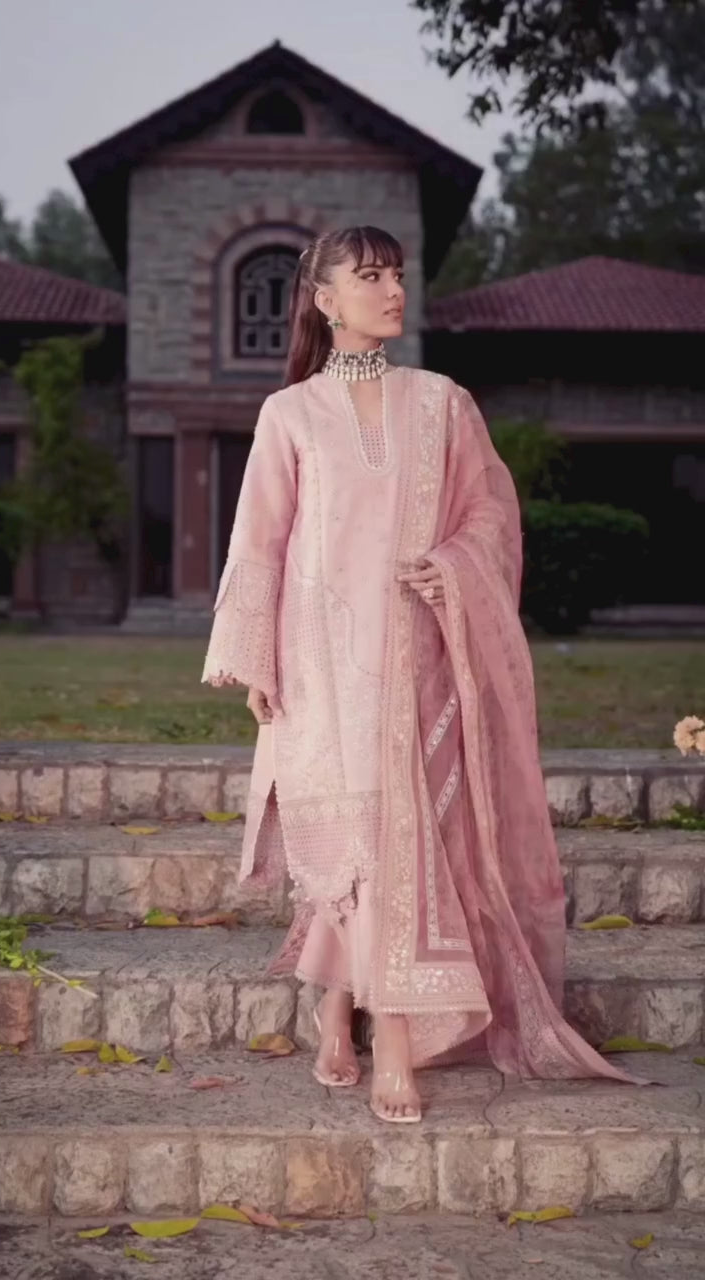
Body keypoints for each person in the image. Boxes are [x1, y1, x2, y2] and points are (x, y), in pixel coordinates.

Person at [201, 225, 657, 1124]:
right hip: (320, 661)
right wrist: (255, 661)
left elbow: (493, 515)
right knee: (352, 842)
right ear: (325, 299)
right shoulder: (288, 414)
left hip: (421, 652)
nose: (393, 291)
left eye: (399, 276)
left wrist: (450, 561)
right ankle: (347, 1016)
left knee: (400, 836)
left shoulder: (443, 402)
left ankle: (379, 1032)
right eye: (370, 277)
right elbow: (260, 539)